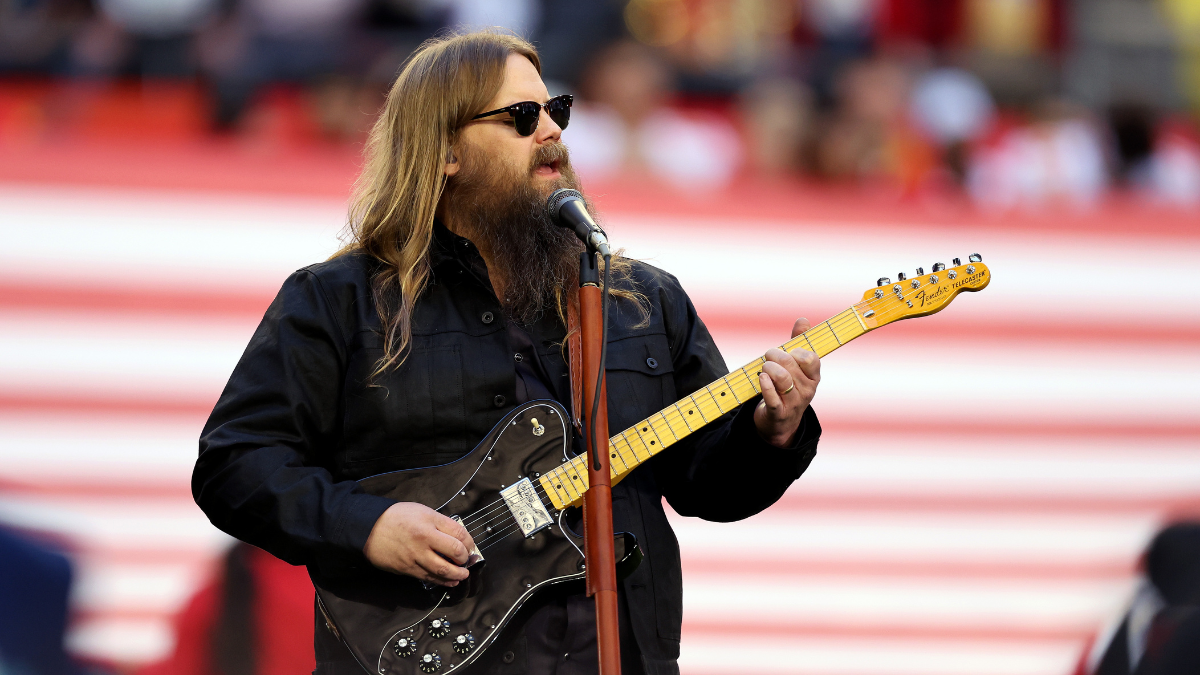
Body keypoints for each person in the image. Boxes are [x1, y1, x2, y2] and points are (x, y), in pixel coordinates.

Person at [193, 30, 822, 675]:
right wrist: (367, 526)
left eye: (557, 111)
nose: (551, 131)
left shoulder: (639, 298)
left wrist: (772, 431)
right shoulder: (341, 300)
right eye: (523, 117)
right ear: (445, 154)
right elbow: (234, 464)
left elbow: (707, 487)